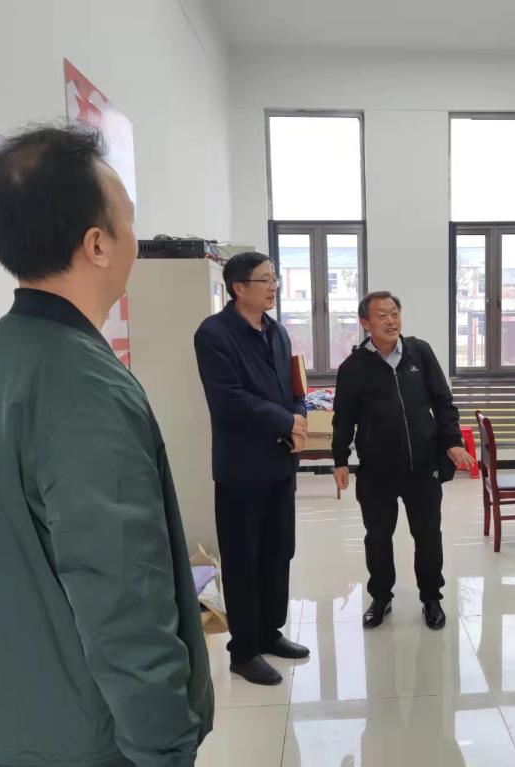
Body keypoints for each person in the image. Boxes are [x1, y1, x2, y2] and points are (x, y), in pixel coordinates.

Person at [0, 127, 214, 767]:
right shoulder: (85, 387)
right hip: (64, 744)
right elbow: (122, 596)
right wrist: (164, 747)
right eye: (130, 221)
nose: (136, 240)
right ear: (98, 244)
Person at [194, 252, 310, 686]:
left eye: (275, 277)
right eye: (265, 279)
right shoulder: (214, 334)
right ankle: (243, 650)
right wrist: (286, 421)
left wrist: (298, 419)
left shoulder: (276, 331)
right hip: (241, 469)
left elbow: (292, 388)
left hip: (280, 462)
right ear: (238, 287)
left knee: (279, 551)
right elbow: (229, 398)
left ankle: (268, 632)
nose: (274, 285)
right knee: (243, 558)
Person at [332, 291, 473, 630]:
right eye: (381, 315)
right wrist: (340, 459)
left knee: (428, 535)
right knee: (378, 537)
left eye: (394, 313)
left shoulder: (419, 353)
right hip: (376, 471)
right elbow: (343, 417)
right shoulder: (353, 367)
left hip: (423, 466)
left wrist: (453, 442)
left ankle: (431, 597)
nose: (390, 321)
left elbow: (443, 401)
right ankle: (381, 597)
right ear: (365, 323)